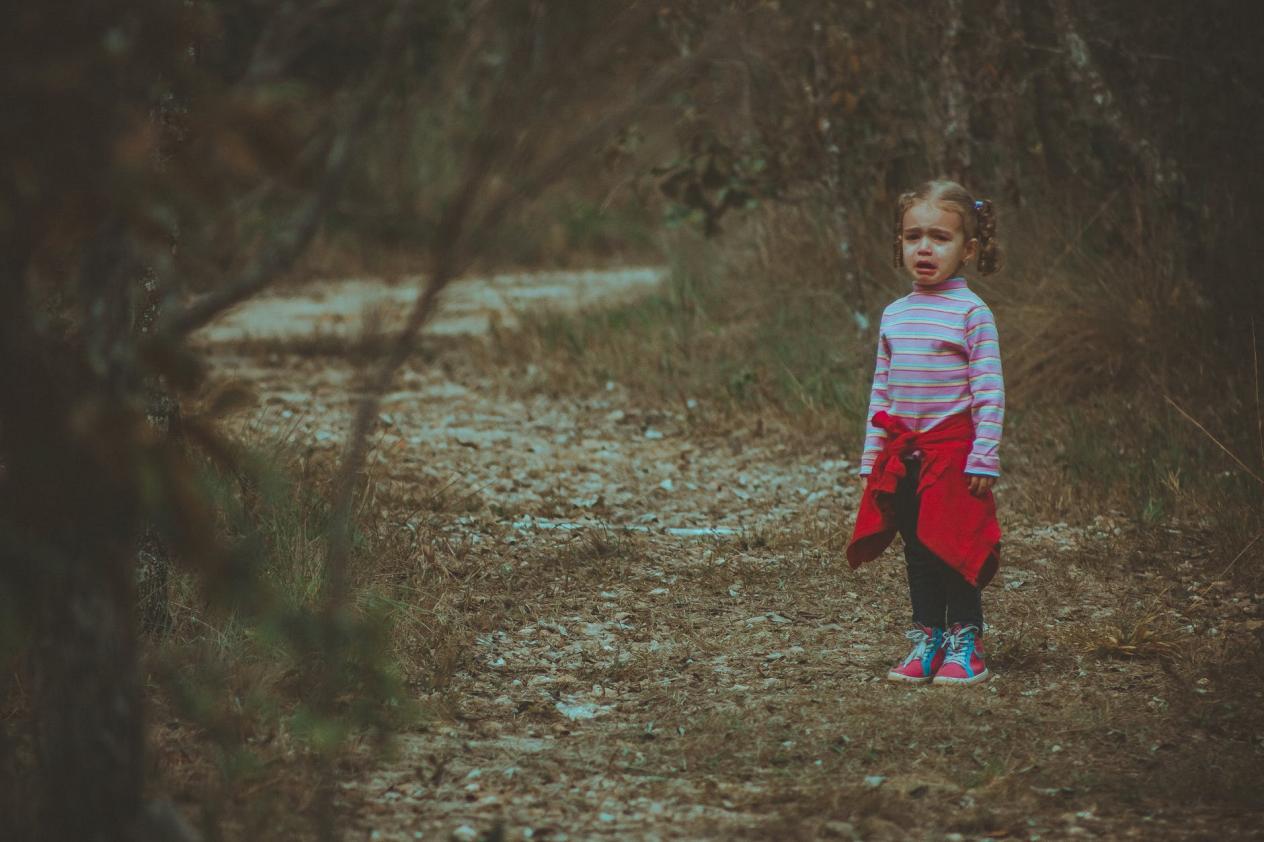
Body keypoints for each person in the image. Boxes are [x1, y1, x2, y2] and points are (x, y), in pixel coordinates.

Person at [846, 179, 1004, 686]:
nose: (925, 249)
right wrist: (872, 457)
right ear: (900, 244)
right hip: (904, 455)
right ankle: (928, 635)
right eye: (914, 237)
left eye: (940, 237)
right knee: (916, 548)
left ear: (968, 249)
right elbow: (882, 393)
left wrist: (984, 455)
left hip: (953, 453)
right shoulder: (895, 315)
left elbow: (989, 391)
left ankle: (966, 640)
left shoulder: (971, 314)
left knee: (952, 545)